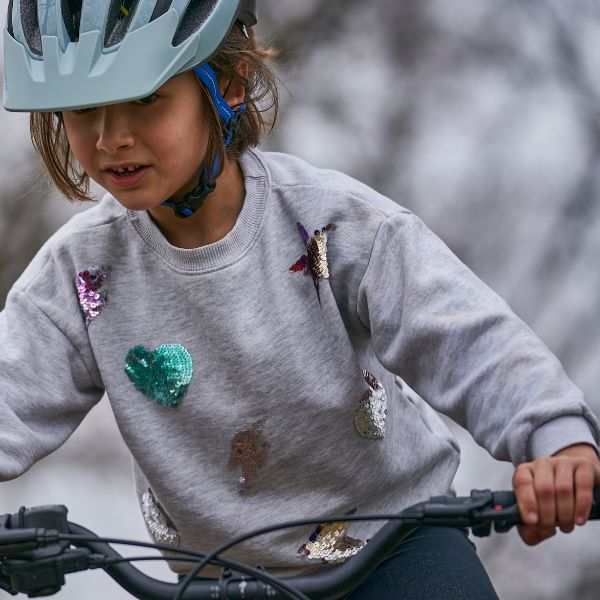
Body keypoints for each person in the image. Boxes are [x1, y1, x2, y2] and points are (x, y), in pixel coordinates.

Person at [2, 1, 600, 598]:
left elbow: (466, 337)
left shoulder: (333, 224)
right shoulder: (80, 270)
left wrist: (555, 438)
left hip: (395, 553)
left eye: (146, 98)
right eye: (83, 110)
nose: (112, 137)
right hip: (217, 581)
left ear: (229, 85)